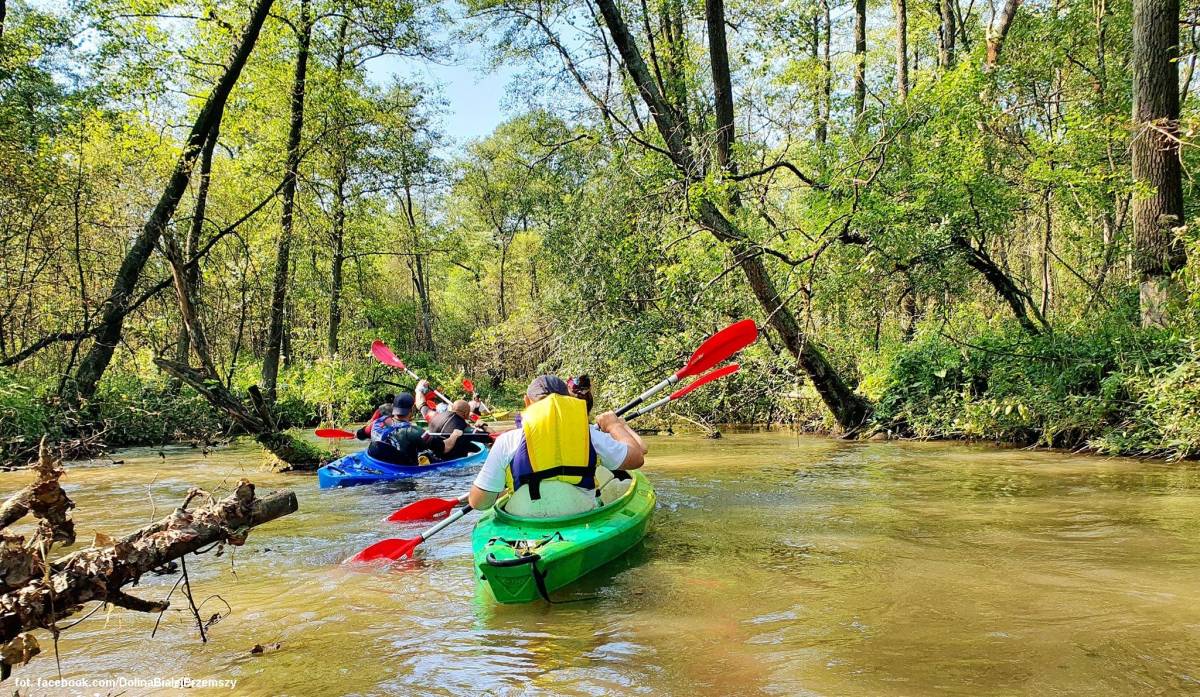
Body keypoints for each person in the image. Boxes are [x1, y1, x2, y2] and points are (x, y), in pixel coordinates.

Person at [468, 375, 646, 518]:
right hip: (579, 516)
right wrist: (614, 426)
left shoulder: (507, 440)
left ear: (527, 402)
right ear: (568, 401)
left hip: (524, 521)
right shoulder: (589, 434)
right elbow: (637, 458)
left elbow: (479, 503)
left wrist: (502, 488)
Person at [368, 393, 464, 466]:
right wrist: (454, 435)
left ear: (394, 408)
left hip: (377, 464)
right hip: (404, 475)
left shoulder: (376, 423)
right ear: (412, 409)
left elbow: (362, 434)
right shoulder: (415, 432)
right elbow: (445, 448)